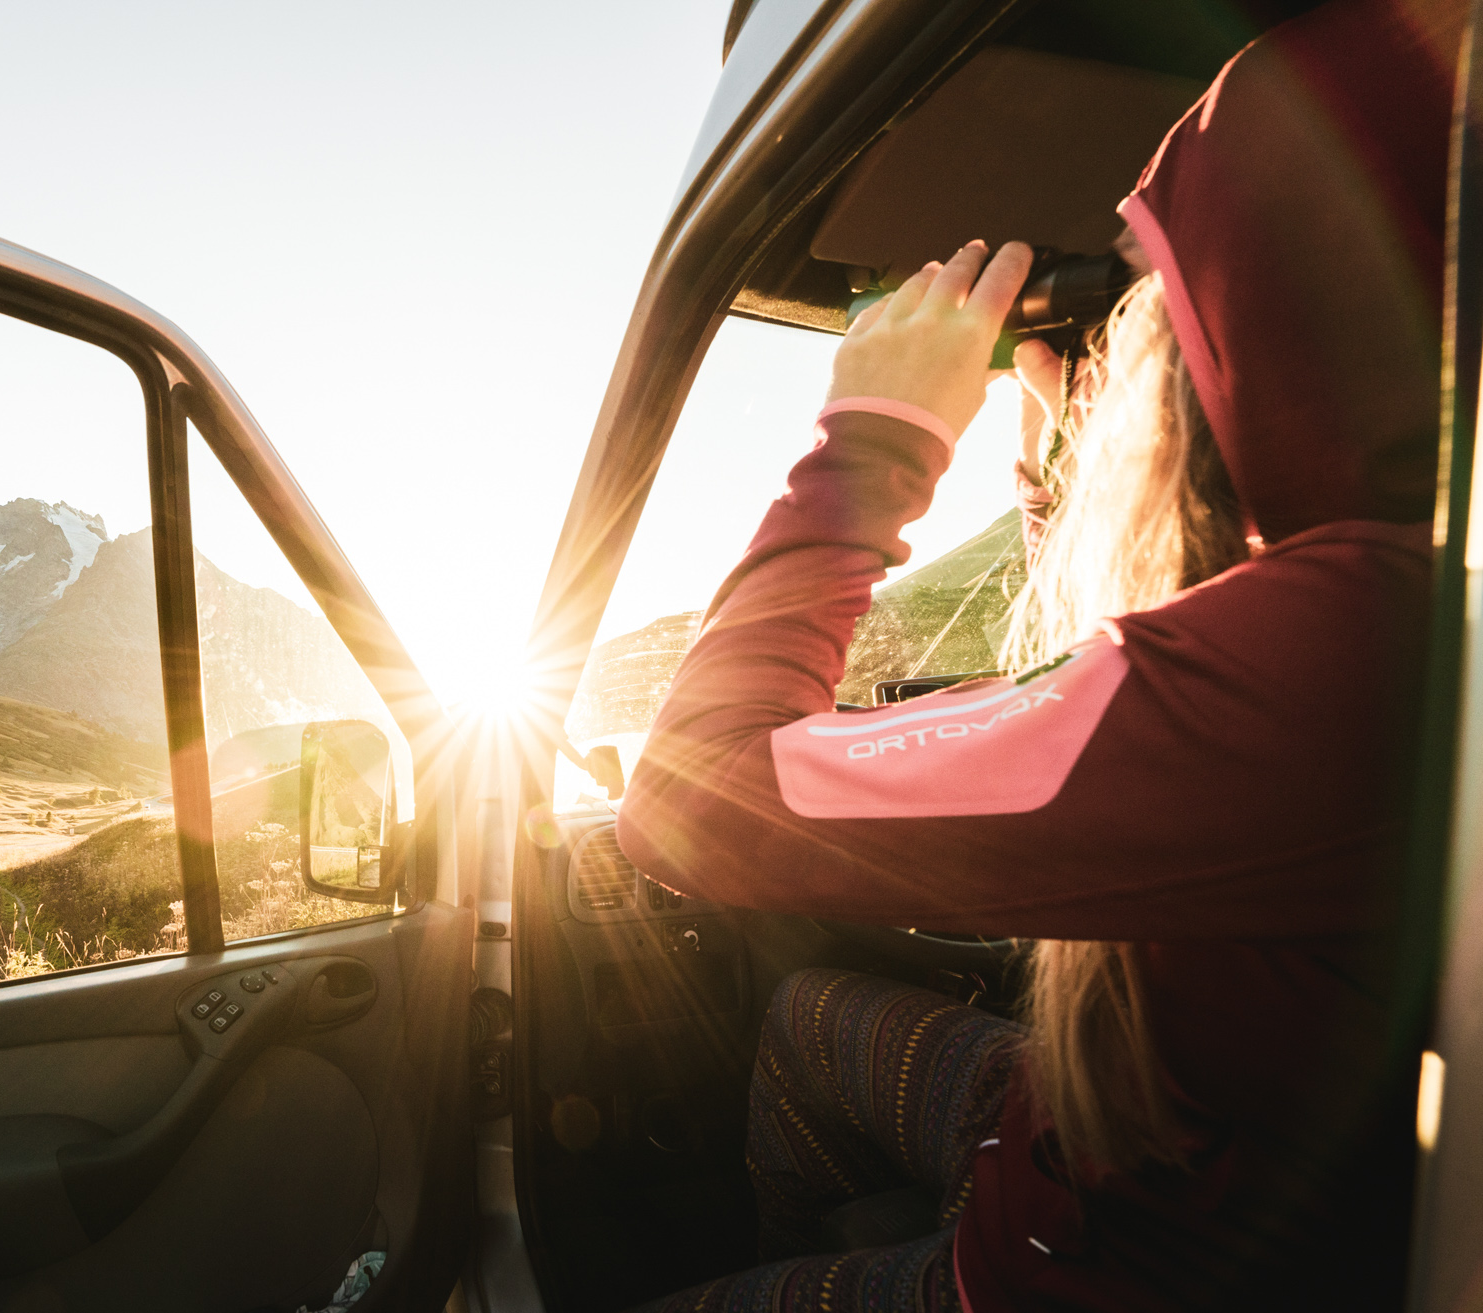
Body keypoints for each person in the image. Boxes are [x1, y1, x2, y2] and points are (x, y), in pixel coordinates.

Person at [615, 1, 1461, 1309]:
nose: (1136, 341)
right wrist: (1052, 449)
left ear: (1294, 297)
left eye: (1160, 297)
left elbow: (686, 795)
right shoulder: (1399, 593)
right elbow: (1146, 668)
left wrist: (875, 444)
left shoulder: (1340, 654)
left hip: (1077, 1264)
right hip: (1123, 1146)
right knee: (801, 1023)